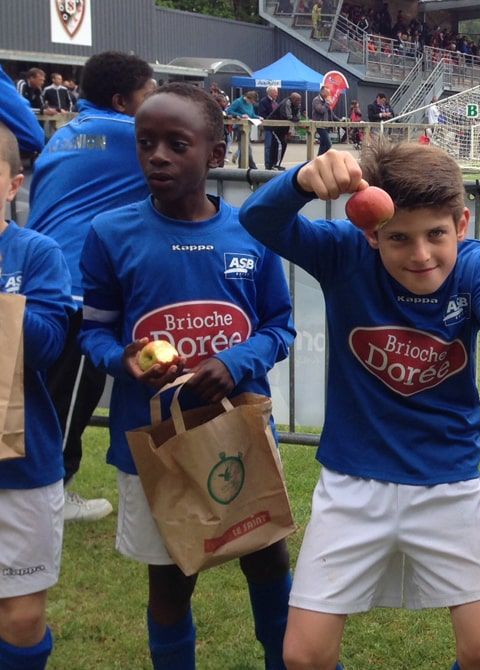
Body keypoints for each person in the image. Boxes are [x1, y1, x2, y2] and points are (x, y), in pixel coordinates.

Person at [238, 144, 480, 670]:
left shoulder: (476, 265)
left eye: (437, 234)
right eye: (399, 239)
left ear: (462, 222)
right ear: (370, 234)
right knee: (304, 656)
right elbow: (258, 217)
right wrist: (302, 178)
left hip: (448, 481)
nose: (421, 255)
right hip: (353, 482)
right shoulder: (344, 253)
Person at [78, 82, 295, 669]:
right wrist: (120, 358)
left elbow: (280, 326)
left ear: (216, 153)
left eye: (178, 144)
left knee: (268, 563)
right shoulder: (109, 235)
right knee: (171, 583)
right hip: (157, 447)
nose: (158, 157)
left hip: (240, 433)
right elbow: (92, 331)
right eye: (146, 143)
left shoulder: (252, 234)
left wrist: (235, 363)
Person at [25, 51, 156, 524]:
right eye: (150, 94)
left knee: (42, 391)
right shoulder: (133, 135)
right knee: (73, 392)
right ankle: (52, 494)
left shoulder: (64, 135)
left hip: (35, 276)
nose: (156, 103)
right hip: (74, 286)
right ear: (123, 101)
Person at [0, 124, 74, 670]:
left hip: (22, 465)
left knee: (21, 617)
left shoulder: (36, 253)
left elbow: (49, 348)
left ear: (12, 184)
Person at [225, 90, 261, 168]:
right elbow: (229, 111)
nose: (252, 103)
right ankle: (253, 166)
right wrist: (241, 115)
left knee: (244, 149)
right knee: (246, 149)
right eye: (252, 101)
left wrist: (258, 117)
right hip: (240, 129)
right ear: (248, 98)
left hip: (248, 128)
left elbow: (252, 114)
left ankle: (242, 167)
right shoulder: (238, 102)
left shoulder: (250, 104)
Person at [268, 92, 303, 168]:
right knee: (279, 144)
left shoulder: (297, 105)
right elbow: (287, 116)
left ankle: (276, 164)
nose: (299, 102)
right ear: (292, 99)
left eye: (300, 100)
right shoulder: (286, 103)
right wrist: (294, 118)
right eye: (297, 100)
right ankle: (274, 165)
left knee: (283, 144)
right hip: (275, 127)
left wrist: (295, 119)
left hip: (284, 128)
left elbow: (298, 117)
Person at [257, 86, 281, 169]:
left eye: (277, 92)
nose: (277, 94)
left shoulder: (275, 102)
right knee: (268, 146)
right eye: (275, 92)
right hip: (268, 127)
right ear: (270, 92)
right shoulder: (264, 101)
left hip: (276, 127)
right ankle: (268, 165)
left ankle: (274, 163)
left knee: (275, 145)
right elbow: (262, 114)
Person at [311, 86, 337, 156]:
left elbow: (330, 113)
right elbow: (321, 110)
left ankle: (319, 159)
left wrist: (339, 119)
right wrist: (327, 103)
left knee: (323, 145)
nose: (328, 94)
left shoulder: (325, 101)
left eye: (329, 93)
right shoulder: (316, 100)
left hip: (326, 125)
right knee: (328, 144)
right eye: (327, 92)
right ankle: (322, 159)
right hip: (320, 125)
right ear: (322, 92)